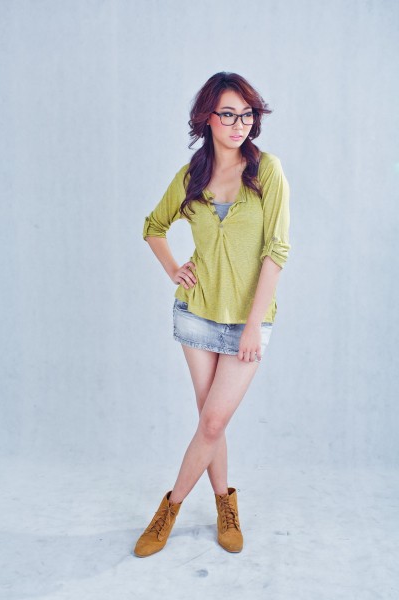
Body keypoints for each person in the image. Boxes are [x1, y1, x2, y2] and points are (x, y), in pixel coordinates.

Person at [134, 71, 291, 557]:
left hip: (248, 321)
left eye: (247, 115)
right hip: (197, 313)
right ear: (207, 118)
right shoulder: (192, 177)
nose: (239, 124)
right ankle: (225, 504)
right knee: (211, 423)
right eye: (228, 114)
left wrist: (252, 325)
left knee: (212, 422)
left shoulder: (266, 172)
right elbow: (154, 226)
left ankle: (170, 508)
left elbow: (276, 251)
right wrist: (173, 269)